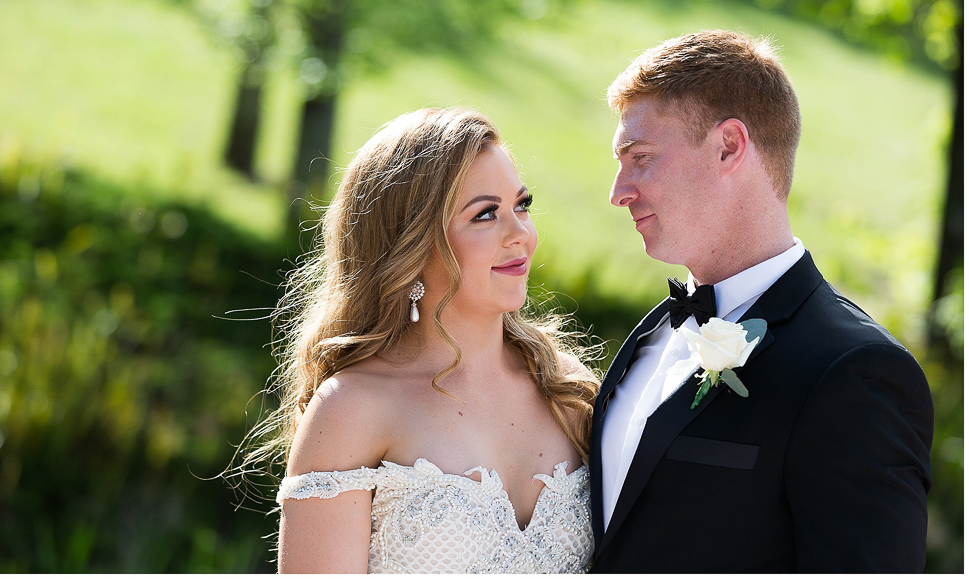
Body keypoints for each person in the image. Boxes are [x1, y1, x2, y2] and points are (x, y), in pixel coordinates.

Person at [590, 30, 934, 572]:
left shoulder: (854, 373)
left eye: (641, 158)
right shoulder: (651, 335)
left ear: (729, 146)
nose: (618, 191)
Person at [260, 107, 600, 572]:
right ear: (412, 244)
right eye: (485, 215)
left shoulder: (567, 389)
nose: (520, 233)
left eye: (521, 205)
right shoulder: (351, 409)